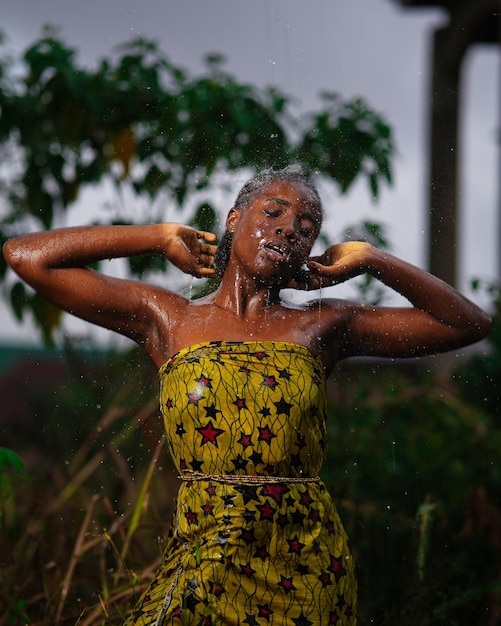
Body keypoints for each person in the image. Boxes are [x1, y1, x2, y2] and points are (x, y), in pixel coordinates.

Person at [3, 169, 492, 625]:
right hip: (205, 550)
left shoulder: (322, 326)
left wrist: (372, 259)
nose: (289, 230)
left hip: (306, 564)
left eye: (306, 225)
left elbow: (468, 323)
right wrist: (155, 237)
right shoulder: (169, 319)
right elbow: (26, 255)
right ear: (235, 220)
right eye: (274, 213)